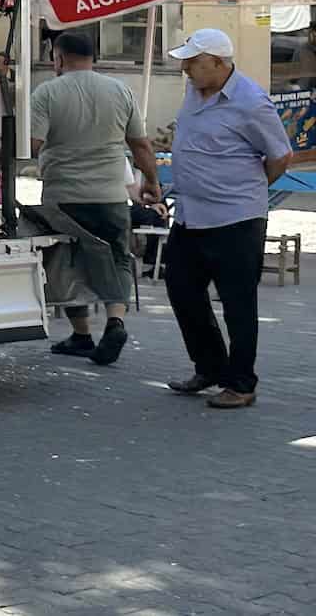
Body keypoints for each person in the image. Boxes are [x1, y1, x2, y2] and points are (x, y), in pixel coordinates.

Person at [163, 28, 293, 409]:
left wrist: (247, 190)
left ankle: (240, 383)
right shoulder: (194, 91)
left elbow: (280, 155)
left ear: (219, 63)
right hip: (190, 214)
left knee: (237, 303)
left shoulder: (252, 102)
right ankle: (210, 366)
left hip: (234, 219)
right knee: (182, 290)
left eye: (193, 61)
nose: (186, 68)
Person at [27, 32, 159, 365]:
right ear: (93, 57)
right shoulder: (121, 91)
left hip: (63, 195)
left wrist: (0, 157)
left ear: (57, 58)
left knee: (68, 260)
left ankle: (82, 334)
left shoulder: (46, 93)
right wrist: (151, 183)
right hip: (111, 193)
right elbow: (141, 145)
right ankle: (116, 321)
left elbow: (31, 144)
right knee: (117, 255)